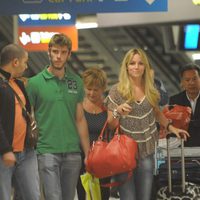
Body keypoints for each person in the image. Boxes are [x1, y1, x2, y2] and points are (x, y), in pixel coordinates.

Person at [104, 48, 190, 200]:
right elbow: (110, 123)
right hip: (124, 154)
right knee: (128, 198)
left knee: (145, 197)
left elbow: (156, 113)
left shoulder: (151, 89)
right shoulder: (116, 91)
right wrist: (118, 111)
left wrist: (170, 127)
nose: (136, 67)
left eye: (140, 63)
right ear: (126, 66)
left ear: (145, 67)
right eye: (132, 63)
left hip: (147, 152)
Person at [26, 33, 90, 200]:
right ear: (49, 52)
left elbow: (80, 119)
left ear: (69, 54)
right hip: (46, 150)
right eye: (55, 51)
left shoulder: (76, 82)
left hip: (73, 152)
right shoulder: (34, 83)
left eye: (62, 52)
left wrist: (88, 153)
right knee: (53, 197)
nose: (58, 56)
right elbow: (26, 117)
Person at [0, 44, 40, 200]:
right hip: (4, 153)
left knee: (32, 195)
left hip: (27, 151)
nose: (26, 66)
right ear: (15, 62)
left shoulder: (18, 84)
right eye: (25, 62)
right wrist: (5, 150)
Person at [76, 67, 110, 200]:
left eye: (96, 90)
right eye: (88, 89)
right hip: (81, 158)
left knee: (103, 195)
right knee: (83, 194)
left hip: (103, 158)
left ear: (103, 89)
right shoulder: (78, 106)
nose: (91, 93)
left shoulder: (108, 107)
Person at [169, 63, 200, 147]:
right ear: (182, 82)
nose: (191, 83)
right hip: (183, 148)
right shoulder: (175, 100)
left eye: (194, 79)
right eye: (187, 80)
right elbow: (172, 127)